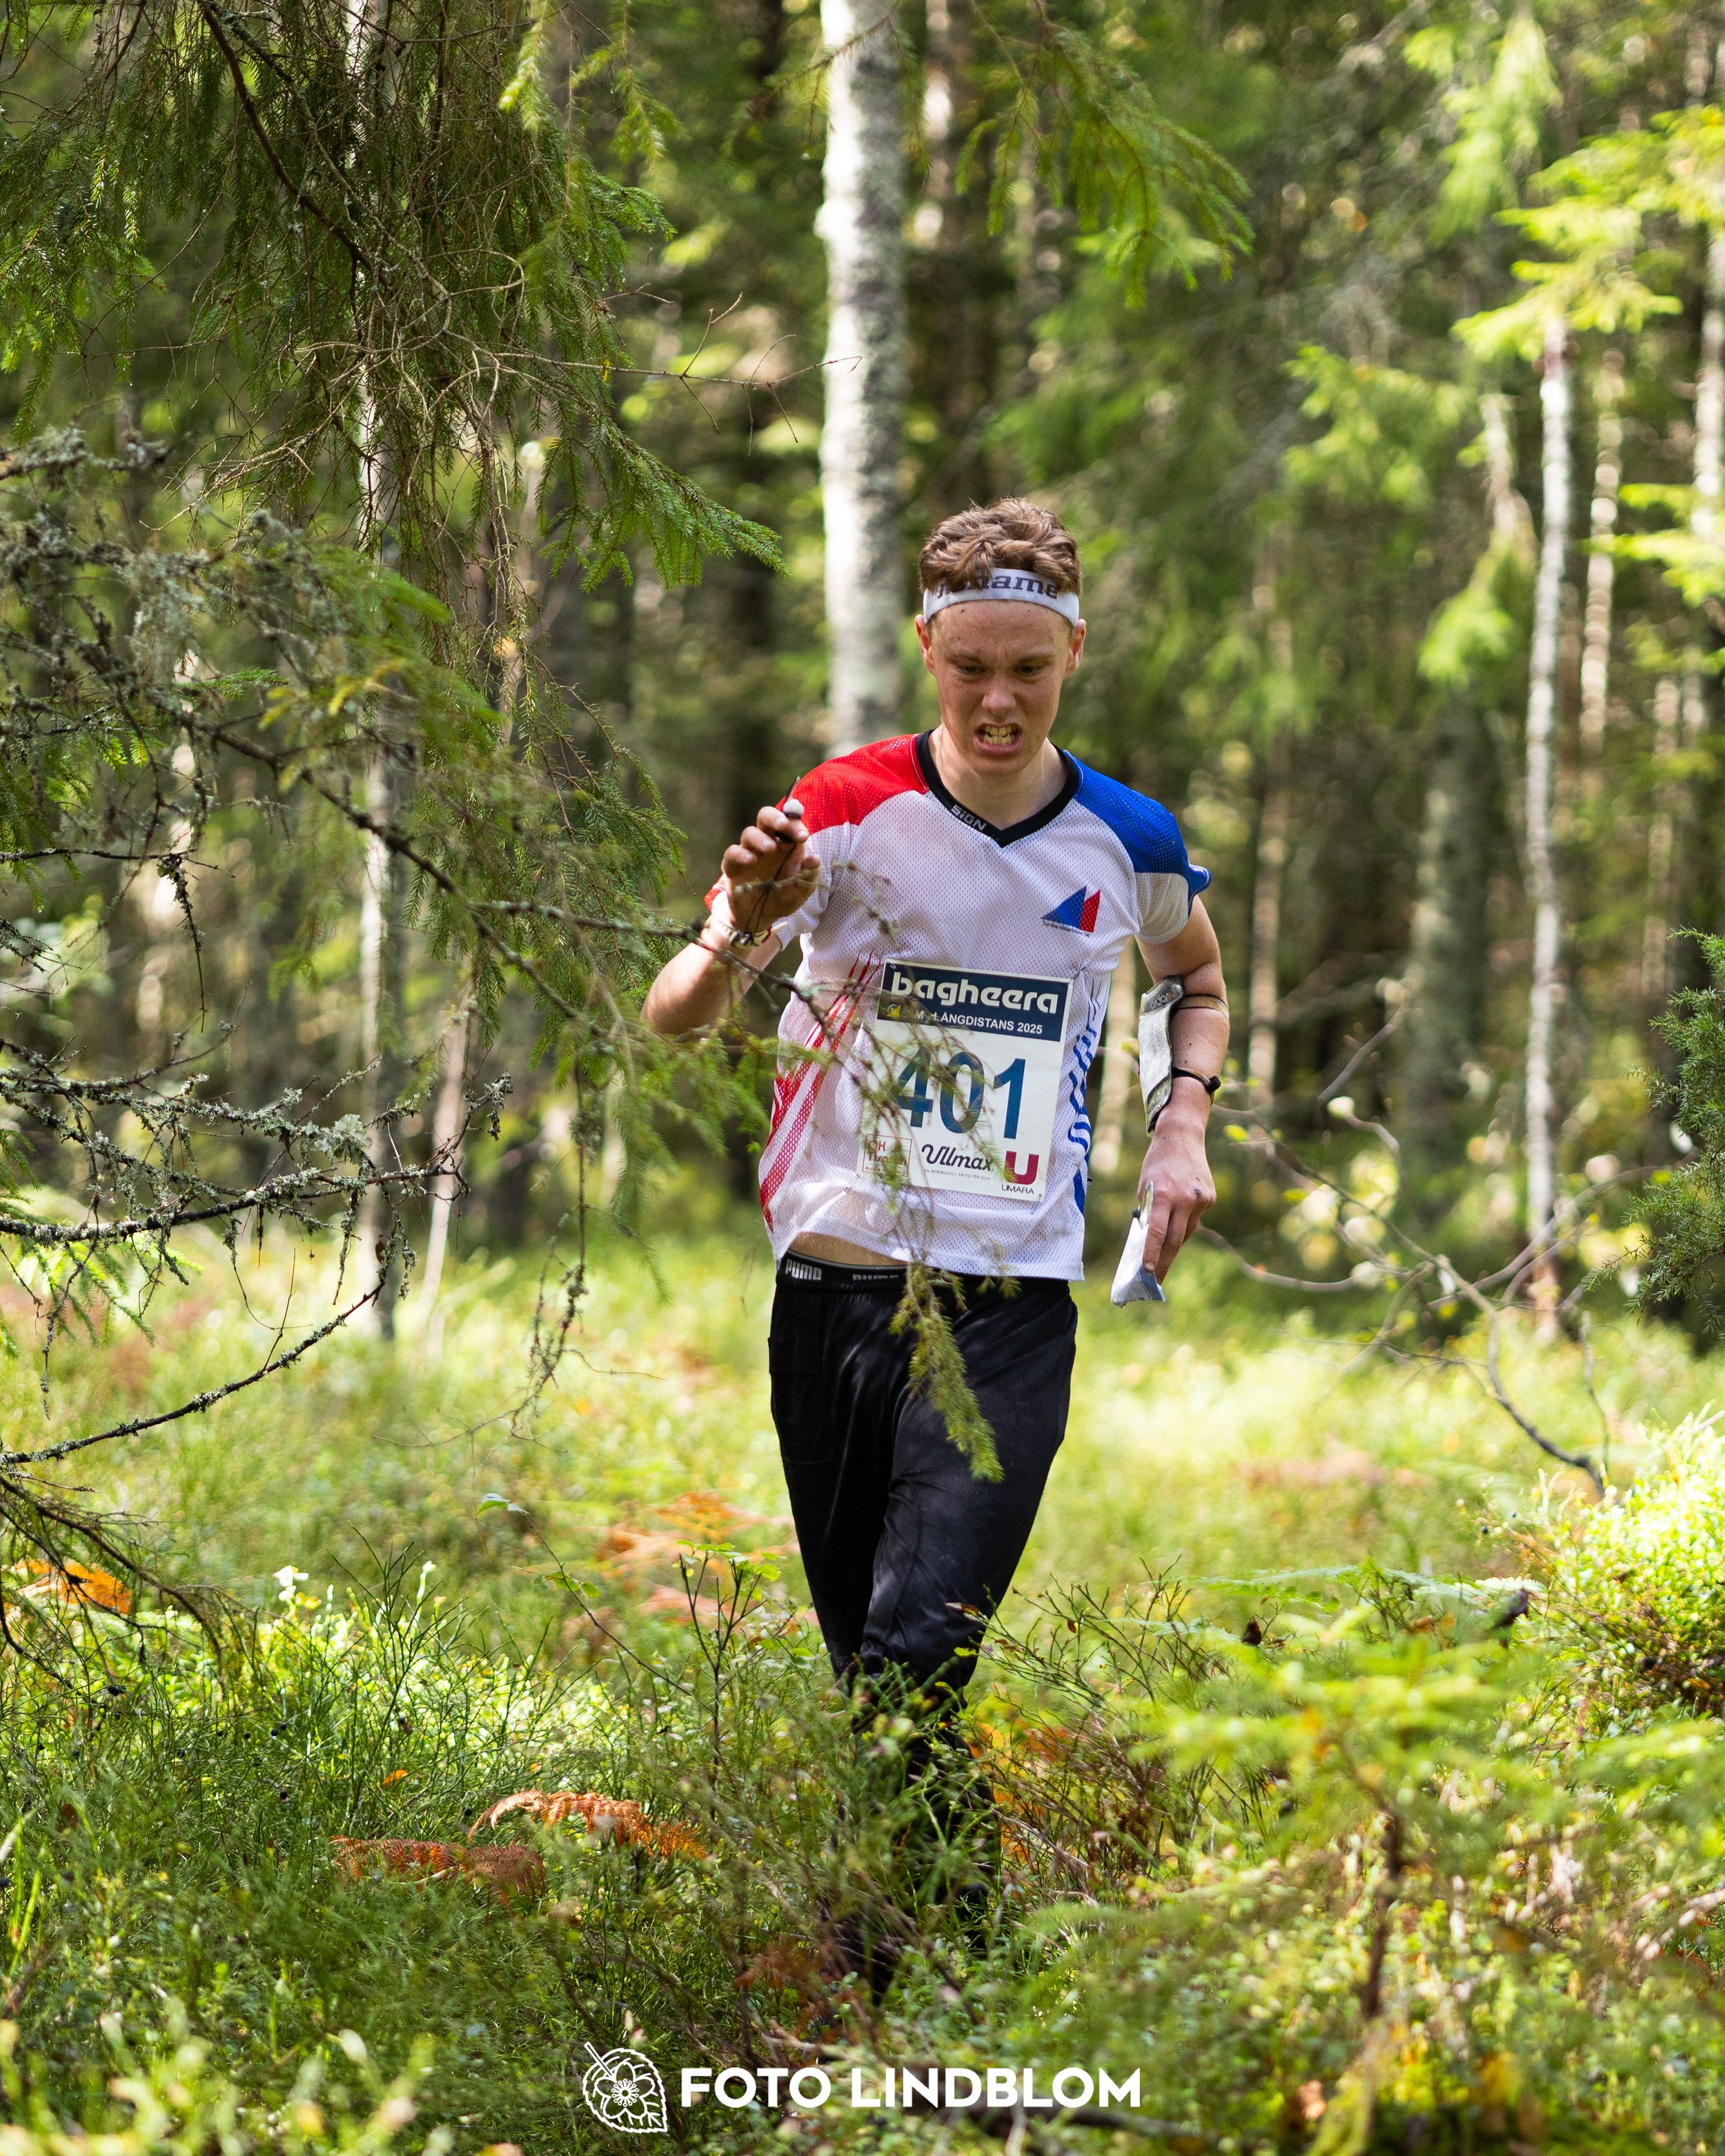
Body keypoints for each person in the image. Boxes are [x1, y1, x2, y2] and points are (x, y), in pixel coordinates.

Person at [642, 500, 1228, 1953]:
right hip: (835, 1300)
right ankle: (933, 1965)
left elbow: (1191, 981)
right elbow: (673, 1018)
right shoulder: (840, 807)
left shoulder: (1127, 836)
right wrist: (736, 909)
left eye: (1028, 667)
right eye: (968, 664)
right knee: (871, 1673)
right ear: (925, 648)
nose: (996, 699)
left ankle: (916, 1965)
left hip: (1009, 1310)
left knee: (915, 1663)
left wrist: (1181, 1121)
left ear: (1072, 656)